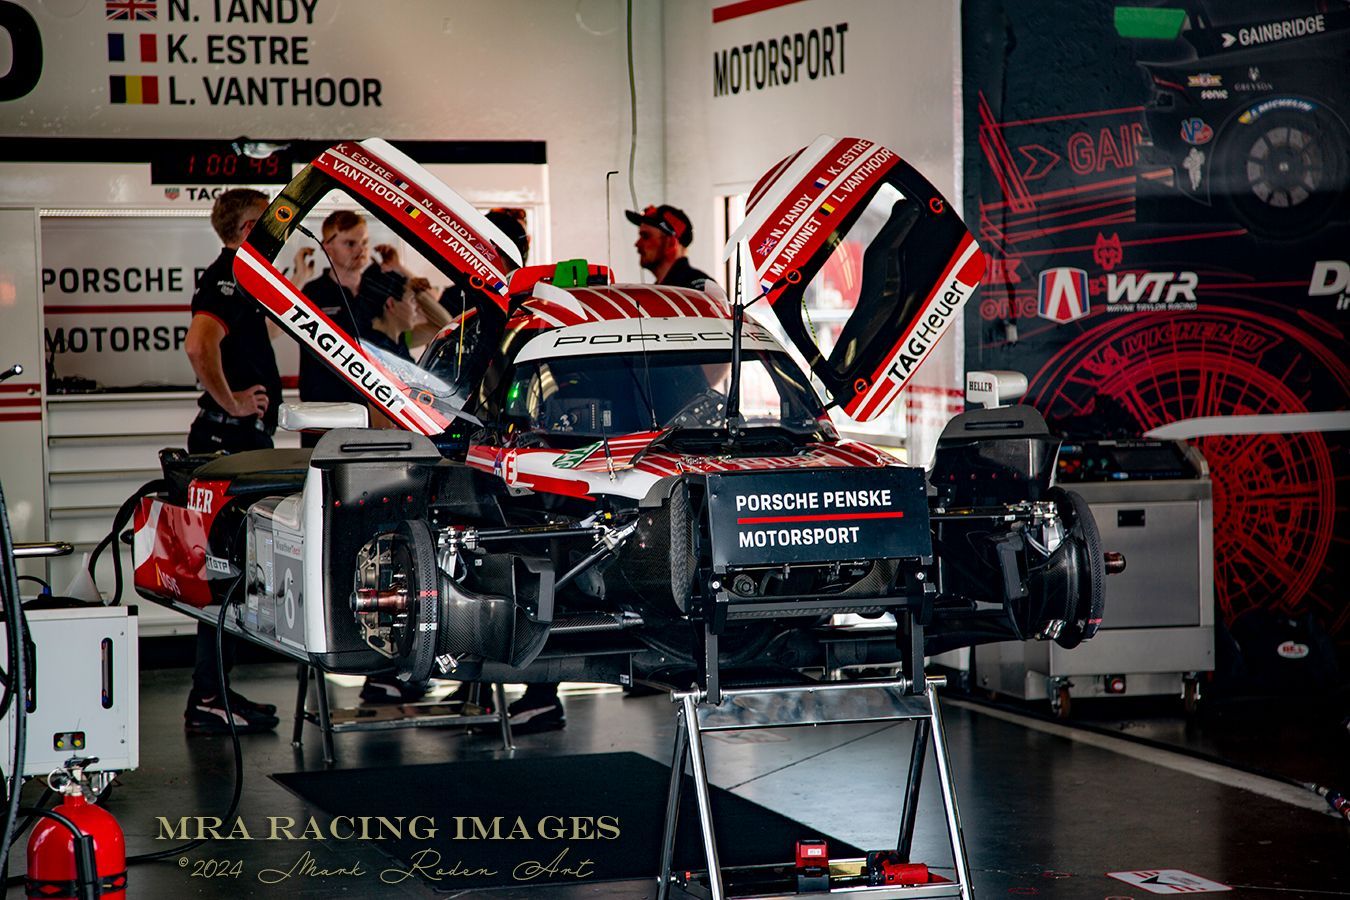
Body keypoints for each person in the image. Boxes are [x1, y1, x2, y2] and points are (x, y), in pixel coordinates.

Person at [182, 188, 282, 734]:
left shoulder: (247, 279)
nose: (278, 234)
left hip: (240, 444)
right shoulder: (230, 275)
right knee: (222, 570)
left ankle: (213, 691)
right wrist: (234, 402)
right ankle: (208, 696)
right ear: (247, 229)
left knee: (233, 570)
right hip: (228, 445)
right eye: (269, 225)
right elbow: (199, 345)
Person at [625, 204, 721, 293]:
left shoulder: (697, 289)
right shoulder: (665, 289)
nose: (637, 244)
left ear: (670, 243)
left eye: (646, 236)